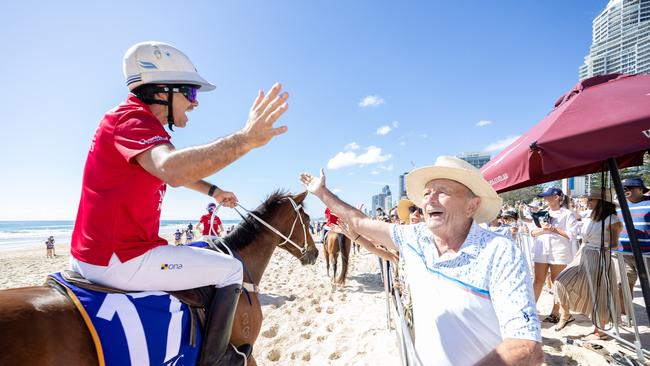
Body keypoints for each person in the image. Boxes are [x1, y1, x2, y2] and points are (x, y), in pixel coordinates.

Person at [69, 41, 289, 365]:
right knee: (231, 269)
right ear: (163, 91)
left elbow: (172, 170)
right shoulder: (133, 121)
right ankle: (217, 359)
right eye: (191, 93)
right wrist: (244, 141)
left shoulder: (138, 125)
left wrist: (213, 191)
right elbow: (171, 169)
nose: (195, 104)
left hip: (102, 253)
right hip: (121, 259)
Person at [299, 156, 542, 366]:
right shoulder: (413, 236)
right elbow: (360, 222)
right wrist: (322, 193)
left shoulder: (499, 252)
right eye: (426, 193)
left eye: (442, 192)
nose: (429, 200)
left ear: (472, 205)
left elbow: (527, 347)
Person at [554, 187, 622, 340]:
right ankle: (566, 315)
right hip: (583, 254)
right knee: (560, 281)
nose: (588, 201)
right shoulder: (590, 217)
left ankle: (600, 331)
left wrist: (598, 248)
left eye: (592, 199)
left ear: (602, 202)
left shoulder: (612, 219)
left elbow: (614, 244)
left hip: (600, 257)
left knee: (600, 293)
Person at [530, 187, 578, 324]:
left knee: (558, 283)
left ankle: (555, 312)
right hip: (541, 249)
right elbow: (532, 233)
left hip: (559, 251)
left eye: (547, 196)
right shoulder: (541, 213)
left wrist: (554, 229)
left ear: (556, 197)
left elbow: (571, 234)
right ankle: (530, 310)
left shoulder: (568, 214)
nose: (545, 198)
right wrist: (543, 230)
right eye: (544, 196)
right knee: (538, 280)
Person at [615, 177, 650, 302]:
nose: (625, 190)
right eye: (623, 188)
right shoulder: (619, 206)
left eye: (629, 187)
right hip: (624, 253)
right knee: (623, 285)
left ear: (640, 189)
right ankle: (626, 317)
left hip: (646, 254)